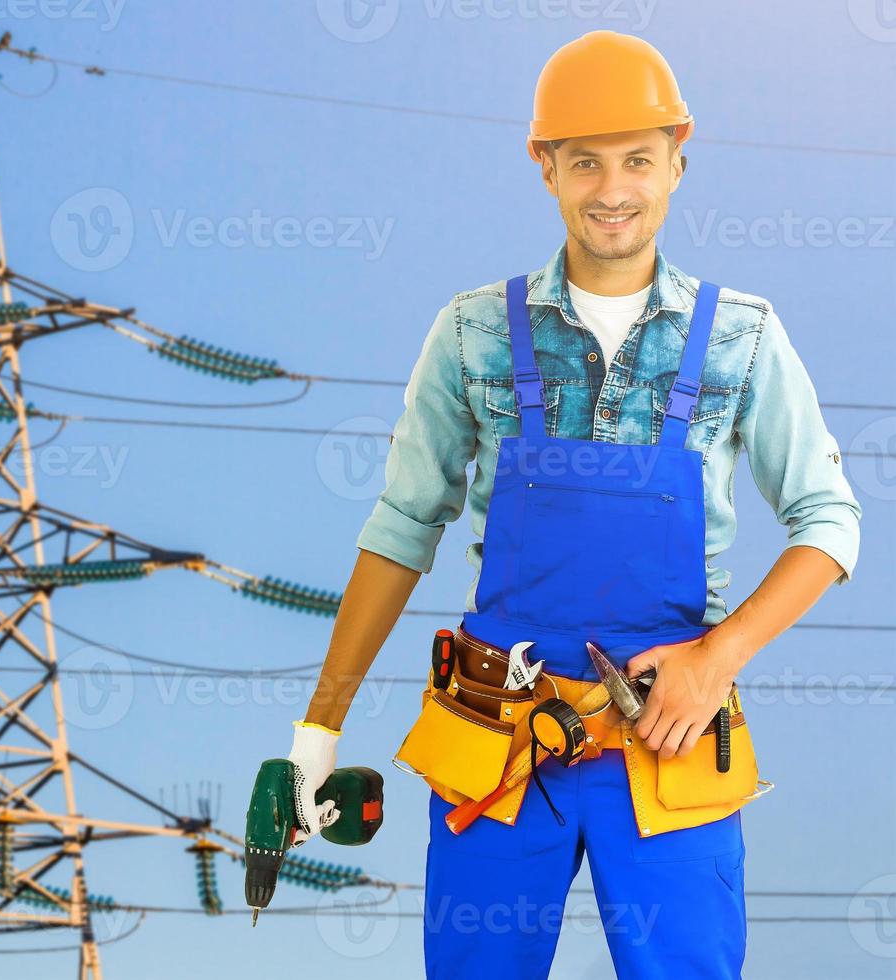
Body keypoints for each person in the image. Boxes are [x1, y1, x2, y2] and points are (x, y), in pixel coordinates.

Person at [280, 30, 861, 979]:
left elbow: (830, 521)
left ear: (680, 153)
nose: (613, 189)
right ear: (543, 164)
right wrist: (318, 731)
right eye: (584, 162)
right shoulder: (470, 333)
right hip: (496, 746)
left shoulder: (742, 340)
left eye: (638, 159)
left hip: (671, 742)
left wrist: (720, 657)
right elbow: (400, 531)